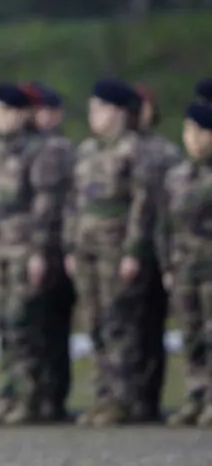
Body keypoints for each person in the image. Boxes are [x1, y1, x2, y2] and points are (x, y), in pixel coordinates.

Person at [64, 79, 156, 427]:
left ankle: (126, 398)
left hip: (116, 250)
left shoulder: (134, 151)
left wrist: (133, 250)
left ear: (117, 111)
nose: (93, 115)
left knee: (122, 325)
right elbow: (74, 204)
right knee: (96, 324)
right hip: (88, 249)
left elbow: (142, 205)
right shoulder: (87, 150)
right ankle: (104, 395)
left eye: (99, 108)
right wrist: (71, 246)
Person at [0, 84, 68, 425]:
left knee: (28, 324)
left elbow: (44, 206)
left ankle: (35, 397)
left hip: (23, 249)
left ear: (20, 114)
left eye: (3, 111)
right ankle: (13, 390)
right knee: (3, 324)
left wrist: (39, 252)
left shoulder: (41, 151)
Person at [131, 84, 183, 421]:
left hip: (158, 250)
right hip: (127, 249)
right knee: (128, 328)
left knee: (152, 326)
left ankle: (149, 397)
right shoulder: (121, 150)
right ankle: (130, 397)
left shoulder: (165, 153)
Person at [160, 102, 212, 427]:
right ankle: (196, 394)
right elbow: (163, 225)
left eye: (200, 131)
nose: (192, 138)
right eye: (188, 131)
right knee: (191, 335)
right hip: (184, 268)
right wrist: (167, 264)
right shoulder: (177, 176)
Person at [27, 83, 76, 420]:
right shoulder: (29, 148)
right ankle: (35, 392)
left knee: (51, 326)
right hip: (33, 247)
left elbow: (53, 206)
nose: (38, 116)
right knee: (30, 327)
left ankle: (52, 396)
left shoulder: (58, 149)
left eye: (44, 109)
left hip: (56, 249)